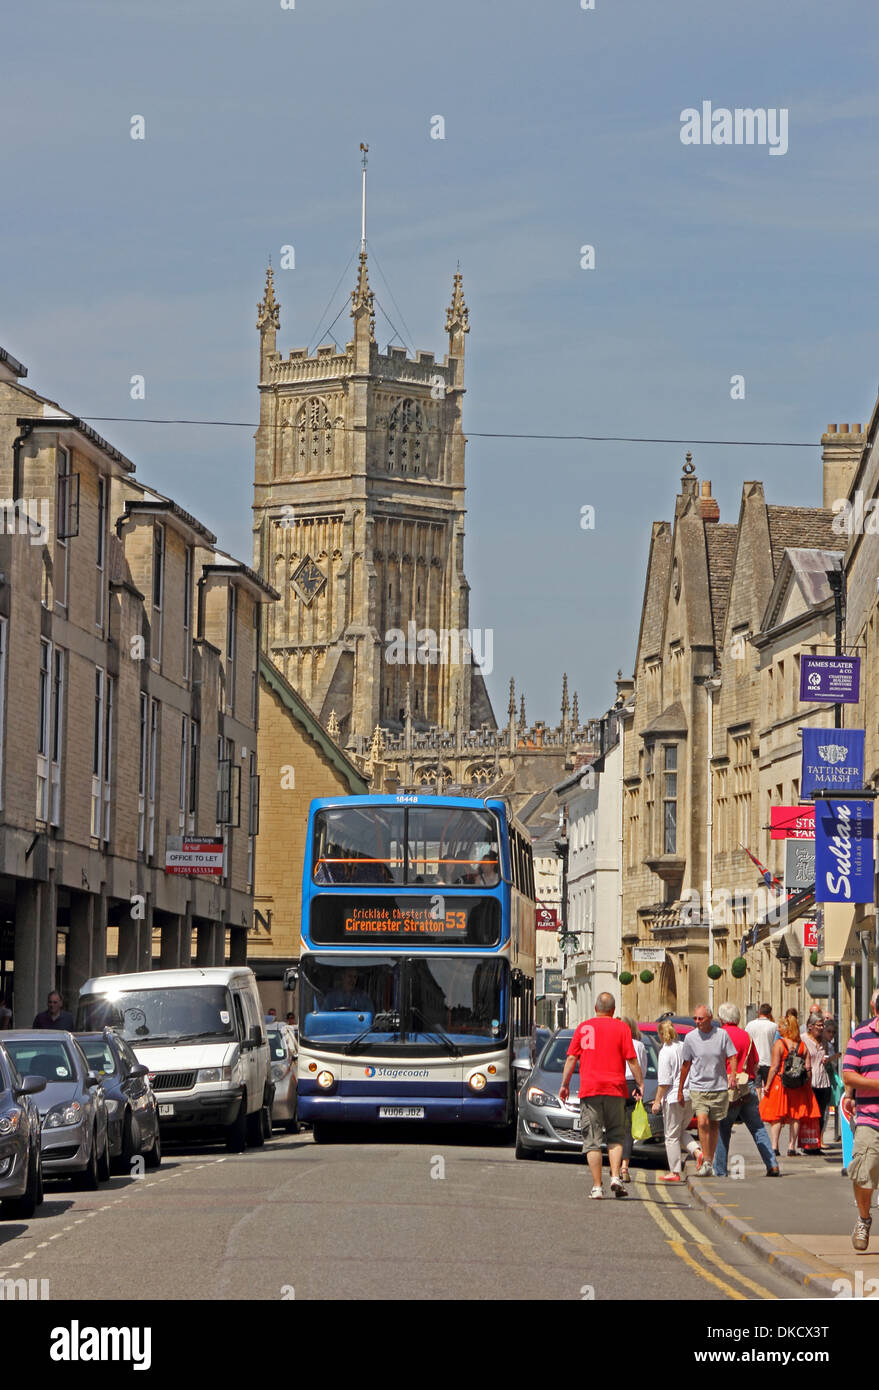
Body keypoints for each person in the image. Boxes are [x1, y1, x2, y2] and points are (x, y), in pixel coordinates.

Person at [559, 991, 645, 1200]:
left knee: (592, 1139)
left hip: (590, 1090)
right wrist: (640, 1083)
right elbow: (632, 1060)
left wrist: (565, 1084)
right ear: (613, 1010)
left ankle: (597, 1186)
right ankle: (615, 1176)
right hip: (616, 1089)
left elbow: (571, 1058)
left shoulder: (584, 1028)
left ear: (595, 1008)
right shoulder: (622, 1028)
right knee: (616, 1135)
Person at [713, 1002, 779, 1178]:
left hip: (729, 1087)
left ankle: (720, 1170)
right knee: (758, 1128)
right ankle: (772, 1164)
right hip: (748, 1086)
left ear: (721, 1019)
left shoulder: (719, 1035)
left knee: (723, 1129)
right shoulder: (746, 1036)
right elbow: (755, 1063)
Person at [678, 1004, 737, 1176]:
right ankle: (706, 1161)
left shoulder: (722, 1035)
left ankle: (709, 1161)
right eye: (695, 1018)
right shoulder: (690, 1038)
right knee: (702, 1122)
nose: (697, 1022)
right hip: (698, 1087)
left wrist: (732, 1075)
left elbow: (732, 1056)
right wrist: (680, 1089)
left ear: (710, 1018)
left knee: (714, 1125)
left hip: (718, 1087)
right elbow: (686, 1064)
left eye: (700, 1018)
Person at [842, 989, 879, 1251]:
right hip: (870, 1120)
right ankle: (864, 1219)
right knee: (863, 1174)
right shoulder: (862, 1036)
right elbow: (848, 1075)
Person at [759, 1012, 819, 1155]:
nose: (778, 1030)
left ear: (787, 1029)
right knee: (796, 1115)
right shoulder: (803, 1046)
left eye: (780, 1027)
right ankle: (792, 1147)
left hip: (781, 1083)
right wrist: (807, 1085)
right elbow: (808, 1068)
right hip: (798, 1085)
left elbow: (773, 1068)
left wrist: (767, 1085)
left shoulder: (780, 1044)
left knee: (777, 1116)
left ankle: (774, 1147)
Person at [651, 1018, 701, 1182]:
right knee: (679, 1132)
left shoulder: (666, 1051)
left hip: (674, 1097)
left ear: (660, 1034)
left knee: (671, 1136)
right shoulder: (683, 1047)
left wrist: (657, 1101)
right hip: (689, 1096)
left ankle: (675, 1171)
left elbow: (664, 1082)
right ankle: (697, 1152)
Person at [619, 1016, 648, 1184]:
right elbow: (641, 1068)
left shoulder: (615, 1043)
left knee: (616, 1126)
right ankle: (624, 1167)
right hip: (632, 1085)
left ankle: (615, 1166)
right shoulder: (639, 1045)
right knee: (628, 1128)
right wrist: (641, 1085)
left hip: (616, 1084)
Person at [802, 1014, 831, 1147]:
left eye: (822, 1025)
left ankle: (817, 1142)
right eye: (818, 1025)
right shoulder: (803, 1040)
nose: (821, 1028)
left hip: (824, 1082)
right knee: (809, 1113)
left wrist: (829, 1059)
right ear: (810, 1026)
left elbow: (830, 1055)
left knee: (821, 1113)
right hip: (810, 1082)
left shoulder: (824, 1041)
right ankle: (808, 1143)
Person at [746, 1004, 777, 1092]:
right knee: (769, 1087)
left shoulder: (750, 1025)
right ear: (770, 1013)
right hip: (768, 1060)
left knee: (757, 1087)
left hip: (755, 1061)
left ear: (759, 1012)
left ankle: (758, 1105)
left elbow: (747, 1041)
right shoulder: (774, 1026)